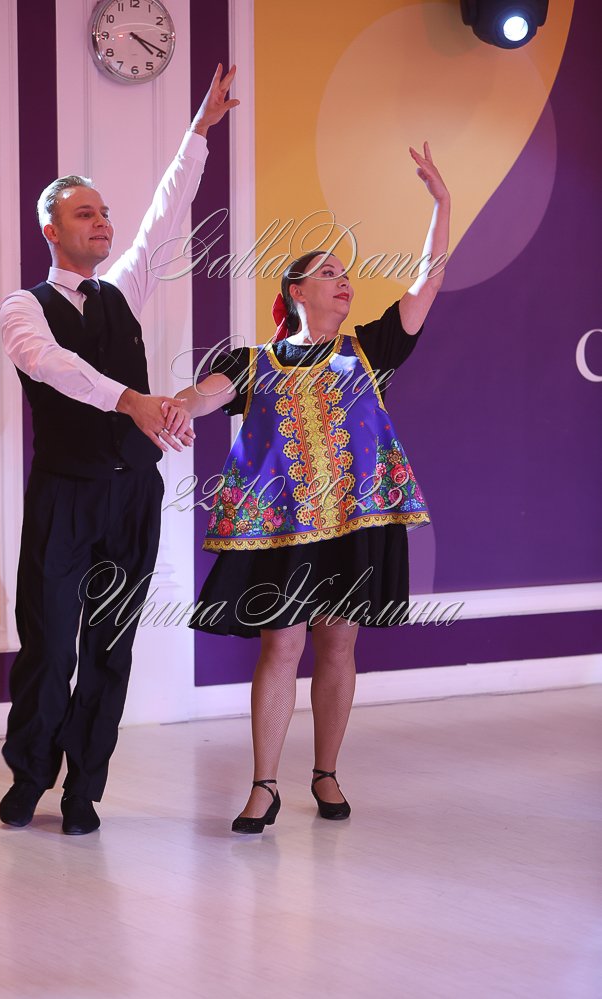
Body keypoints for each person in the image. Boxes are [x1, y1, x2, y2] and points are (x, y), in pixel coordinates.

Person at [169, 142, 450, 833]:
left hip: (354, 524)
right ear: (296, 292)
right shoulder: (253, 361)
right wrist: (173, 407)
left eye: (347, 275)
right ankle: (263, 784)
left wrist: (442, 205)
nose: (344, 282)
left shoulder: (369, 350)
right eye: (329, 273)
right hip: (285, 529)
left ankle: (326, 771)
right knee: (281, 647)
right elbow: (205, 395)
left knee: (339, 646)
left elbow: (427, 280)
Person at [0, 65, 239, 835]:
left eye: (104, 213)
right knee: (48, 644)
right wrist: (132, 399)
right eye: (85, 213)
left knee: (110, 646)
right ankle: (29, 775)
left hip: (132, 494)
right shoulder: (23, 308)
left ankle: (83, 790)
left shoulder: (124, 290)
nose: (102, 223)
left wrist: (197, 134)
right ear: (51, 229)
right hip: (65, 496)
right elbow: (53, 367)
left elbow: (166, 217)